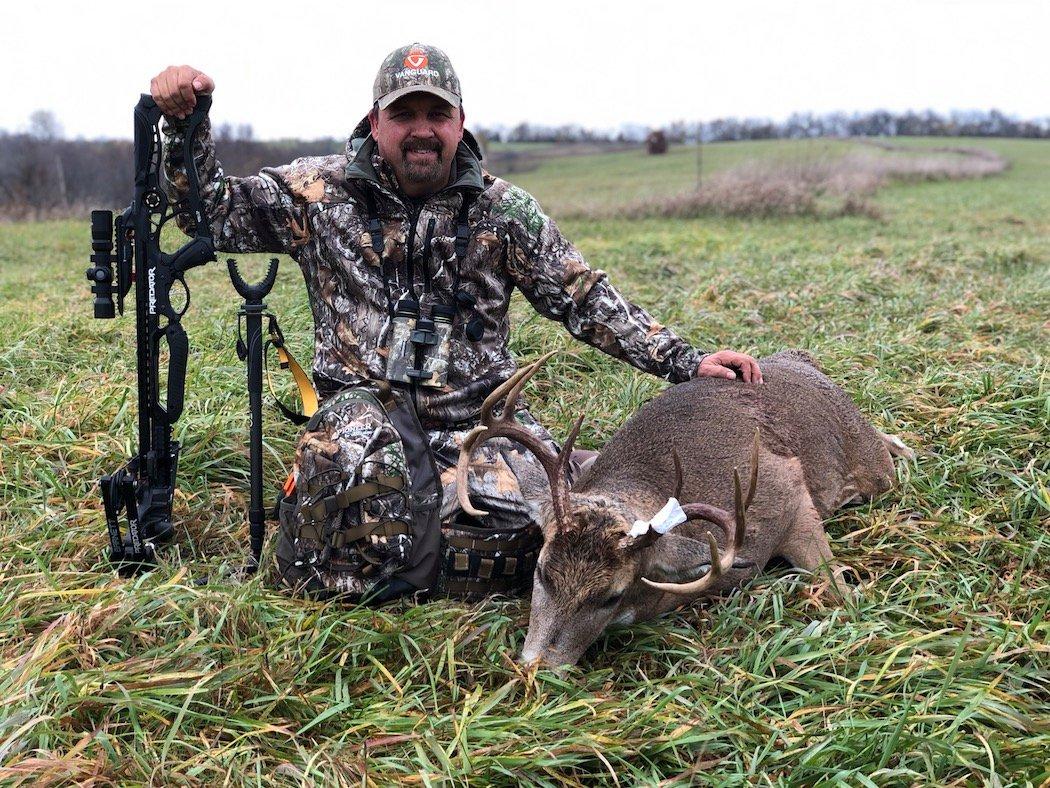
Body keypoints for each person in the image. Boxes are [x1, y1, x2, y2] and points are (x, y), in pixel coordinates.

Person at [151, 44, 762, 598]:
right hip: (364, 422)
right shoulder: (317, 194)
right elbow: (209, 213)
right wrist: (186, 124)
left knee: (556, 527)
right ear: (374, 122)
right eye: (404, 115)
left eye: (436, 115)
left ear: (460, 122)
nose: (422, 131)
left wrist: (684, 361)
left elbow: (582, 297)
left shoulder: (504, 211)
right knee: (343, 523)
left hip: (478, 425)